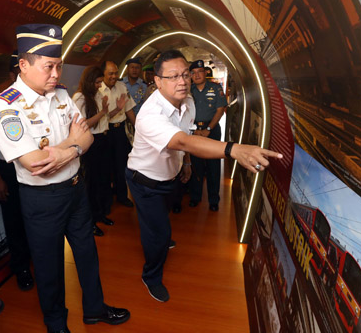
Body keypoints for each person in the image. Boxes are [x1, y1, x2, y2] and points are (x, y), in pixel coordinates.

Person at [0, 24, 130, 333]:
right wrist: (73, 145)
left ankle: (95, 309)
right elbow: (36, 163)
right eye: (48, 66)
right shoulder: (6, 105)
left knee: (87, 253)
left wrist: (68, 149)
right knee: (49, 265)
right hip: (43, 199)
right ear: (23, 65)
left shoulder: (62, 94)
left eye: (59, 66)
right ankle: (56, 324)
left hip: (76, 190)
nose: (56, 74)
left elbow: (88, 137)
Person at [125, 49, 282, 303]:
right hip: (145, 181)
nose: (182, 81)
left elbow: (185, 135)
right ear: (157, 81)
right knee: (157, 233)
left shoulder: (186, 102)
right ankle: (151, 276)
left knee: (162, 223)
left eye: (185, 74)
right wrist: (233, 149)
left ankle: (163, 238)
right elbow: (184, 141)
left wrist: (186, 165)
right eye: (173, 76)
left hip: (171, 176)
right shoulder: (150, 115)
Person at [0, 52, 34, 291]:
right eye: (18, 71)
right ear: (13, 73)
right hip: (10, 169)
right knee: (14, 220)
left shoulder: (39, 99)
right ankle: (21, 266)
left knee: (36, 218)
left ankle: (39, 261)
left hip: (36, 167)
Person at [72, 65, 114, 236]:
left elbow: (105, 118)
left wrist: (106, 111)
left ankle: (100, 214)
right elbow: (84, 124)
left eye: (100, 82)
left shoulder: (97, 94)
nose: (99, 85)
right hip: (91, 142)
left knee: (104, 180)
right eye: (97, 82)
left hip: (103, 138)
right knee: (92, 182)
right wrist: (103, 111)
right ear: (89, 81)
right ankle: (90, 221)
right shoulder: (79, 97)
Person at [188, 60, 228, 211]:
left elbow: (220, 110)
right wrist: (193, 130)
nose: (197, 75)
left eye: (200, 72)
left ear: (205, 73)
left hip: (212, 130)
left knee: (213, 166)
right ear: (190, 75)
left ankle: (213, 200)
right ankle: (195, 196)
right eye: (193, 73)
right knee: (195, 164)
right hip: (194, 130)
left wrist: (209, 129)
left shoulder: (215, 88)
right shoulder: (188, 90)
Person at [99, 60, 136, 208]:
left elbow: (129, 110)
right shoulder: (98, 89)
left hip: (120, 130)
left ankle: (122, 195)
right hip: (105, 131)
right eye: (111, 73)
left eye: (116, 73)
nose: (114, 76)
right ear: (103, 74)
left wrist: (139, 129)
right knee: (106, 166)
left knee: (122, 165)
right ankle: (107, 199)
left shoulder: (121, 86)